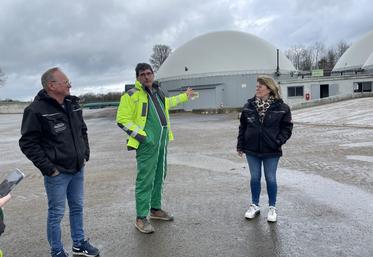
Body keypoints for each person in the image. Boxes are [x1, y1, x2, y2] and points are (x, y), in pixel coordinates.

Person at [19, 67, 99, 257]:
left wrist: (84, 153)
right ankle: (56, 251)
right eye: (66, 82)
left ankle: (79, 244)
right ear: (51, 85)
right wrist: (49, 169)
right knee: (56, 213)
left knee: (77, 207)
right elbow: (28, 143)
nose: (69, 85)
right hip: (57, 173)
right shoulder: (35, 110)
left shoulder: (73, 103)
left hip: (78, 168)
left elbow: (82, 130)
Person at [116, 63, 195, 234]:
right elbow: (122, 119)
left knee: (160, 175)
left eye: (149, 73)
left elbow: (168, 103)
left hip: (162, 142)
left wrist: (185, 96)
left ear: (153, 75)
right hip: (147, 144)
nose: (146, 76)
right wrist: (143, 136)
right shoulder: (131, 95)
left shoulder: (157, 92)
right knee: (145, 179)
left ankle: (155, 209)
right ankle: (141, 217)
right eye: (142, 74)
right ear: (137, 77)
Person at [237, 75, 293, 222]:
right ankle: (255, 205)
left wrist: (278, 141)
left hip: (271, 150)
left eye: (260, 86)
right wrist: (240, 145)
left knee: (270, 178)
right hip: (252, 149)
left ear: (269, 88)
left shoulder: (282, 108)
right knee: (255, 178)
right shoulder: (248, 106)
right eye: (256, 86)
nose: (257, 89)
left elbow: (287, 128)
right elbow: (243, 127)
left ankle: (272, 208)